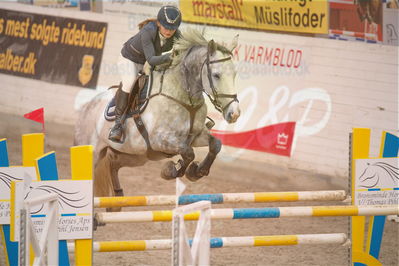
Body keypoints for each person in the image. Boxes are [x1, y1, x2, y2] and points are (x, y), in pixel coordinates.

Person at [109, 5, 182, 142]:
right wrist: (171, 56)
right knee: (130, 81)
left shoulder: (177, 35)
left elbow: (186, 48)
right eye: (166, 27)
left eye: (172, 28)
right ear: (159, 23)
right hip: (129, 59)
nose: (169, 31)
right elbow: (152, 60)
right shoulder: (148, 31)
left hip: (145, 64)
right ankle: (117, 125)